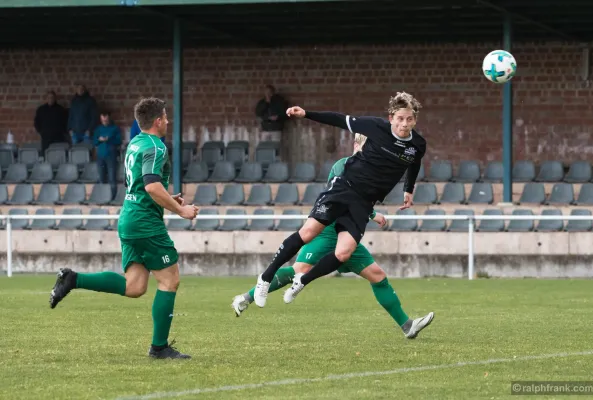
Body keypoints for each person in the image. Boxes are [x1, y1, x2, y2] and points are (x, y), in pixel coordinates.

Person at [232, 134, 434, 338]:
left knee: (378, 276)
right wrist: (373, 214)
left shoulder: (373, 170)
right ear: (356, 145)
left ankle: (407, 325)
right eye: (369, 146)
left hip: (348, 235)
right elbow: (337, 196)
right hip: (328, 231)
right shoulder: (343, 165)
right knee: (298, 270)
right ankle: (246, 298)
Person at [49, 97, 199, 359]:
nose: (168, 121)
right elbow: (151, 186)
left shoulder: (135, 143)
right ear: (158, 121)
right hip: (145, 223)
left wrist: (168, 200)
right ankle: (159, 348)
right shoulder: (156, 146)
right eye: (165, 117)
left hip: (130, 217)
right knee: (170, 280)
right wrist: (181, 210)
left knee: (135, 286)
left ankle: (74, 279)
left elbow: (145, 186)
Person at [253, 92, 427, 309]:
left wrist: (408, 190)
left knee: (343, 253)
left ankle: (302, 281)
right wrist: (306, 114)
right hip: (345, 188)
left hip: (364, 203)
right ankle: (266, 278)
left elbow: (414, 163)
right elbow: (338, 119)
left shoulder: (418, 144)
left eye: (409, 119)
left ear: (415, 120)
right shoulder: (375, 127)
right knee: (307, 233)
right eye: (400, 118)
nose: (404, 124)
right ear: (391, 117)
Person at [93, 111, 121, 199]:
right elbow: (94, 142)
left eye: (106, 119)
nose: (104, 121)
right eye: (102, 119)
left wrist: (108, 139)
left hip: (111, 156)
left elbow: (119, 141)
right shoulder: (98, 129)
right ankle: (102, 197)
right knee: (101, 178)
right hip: (100, 156)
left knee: (112, 178)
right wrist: (100, 139)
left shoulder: (115, 128)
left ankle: (113, 198)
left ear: (109, 118)